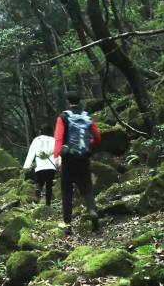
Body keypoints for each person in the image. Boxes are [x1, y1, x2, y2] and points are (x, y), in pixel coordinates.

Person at [53, 90, 102, 234]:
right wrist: (88, 145)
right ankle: (92, 212)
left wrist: (57, 156)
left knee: (67, 192)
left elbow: (58, 138)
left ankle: (67, 226)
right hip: (84, 158)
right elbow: (98, 137)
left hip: (68, 160)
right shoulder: (87, 117)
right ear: (79, 101)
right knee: (87, 188)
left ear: (68, 102)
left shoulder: (63, 117)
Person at [23, 127, 57, 206]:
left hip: (40, 166)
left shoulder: (37, 140)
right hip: (51, 166)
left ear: (41, 132)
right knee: (49, 184)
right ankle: (48, 204)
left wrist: (26, 166)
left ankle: (38, 190)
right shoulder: (53, 140)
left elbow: (31, 152)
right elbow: (57, 152)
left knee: (40, 181)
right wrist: (59, 164)